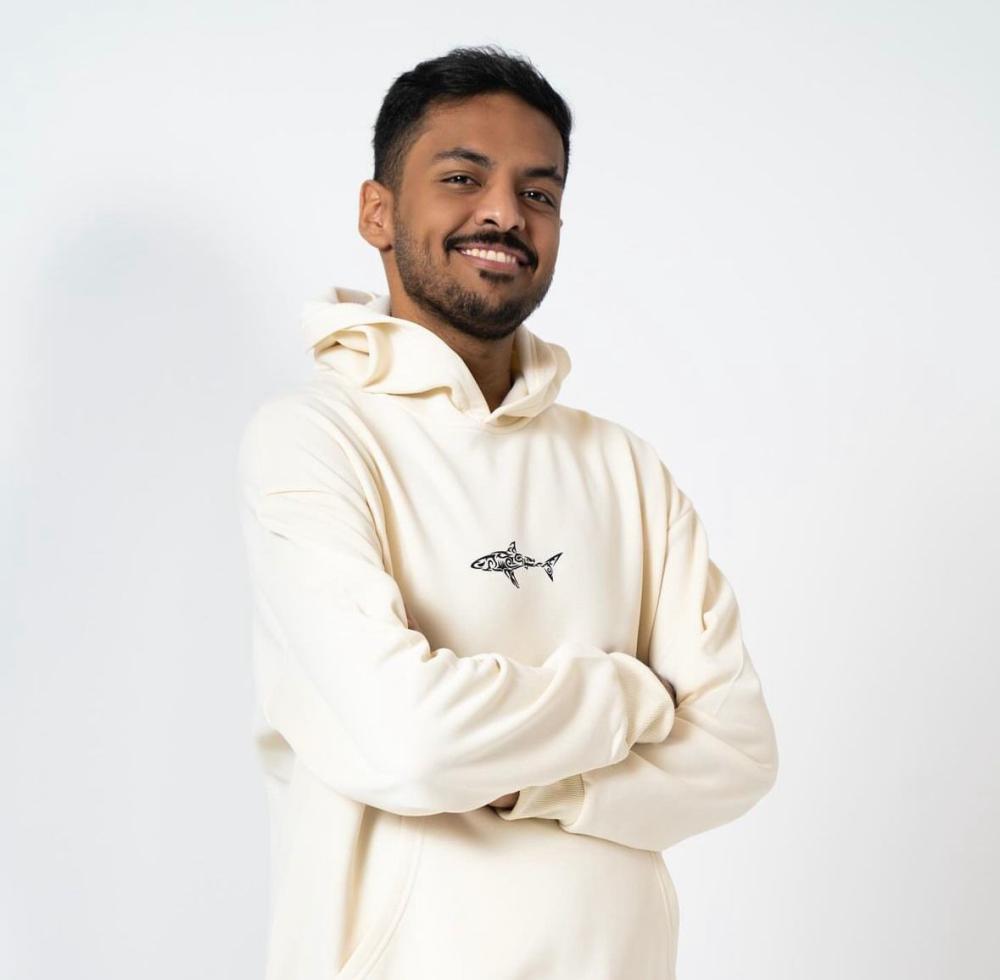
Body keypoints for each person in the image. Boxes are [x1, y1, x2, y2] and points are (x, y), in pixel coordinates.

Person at [235, 43, 779, 980]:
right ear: (377, 212)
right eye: (462, 177)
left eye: (539, 191)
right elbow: (409, 741)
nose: (505, 213)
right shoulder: (313, 441)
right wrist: (632, 695)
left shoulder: (622, 467)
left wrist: (536, 783)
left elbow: (737, 751)